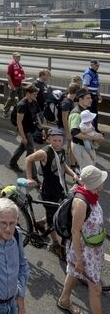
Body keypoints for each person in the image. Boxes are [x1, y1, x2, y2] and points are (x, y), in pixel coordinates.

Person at [58, 165, 106, 314]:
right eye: (101, 180)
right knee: (96, 289)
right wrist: (79, 259)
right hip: (84, 253)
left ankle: (64, 301)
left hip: (92, 250)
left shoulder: (92, 194)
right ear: (95, 183)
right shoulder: (81, 202)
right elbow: (75, 232)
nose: (104, 182)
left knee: (74, 272)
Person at [24, 128, 79, 258]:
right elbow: (28, 159)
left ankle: (41, 223)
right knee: (52, 216)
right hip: (49, 189)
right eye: (54, 140)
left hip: (60, 186)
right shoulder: (44, 152)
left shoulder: (61, 150)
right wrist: (29, 178)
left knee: (61, 208)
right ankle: (55, 243)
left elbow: (62, 164)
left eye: (60, 140)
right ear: (48, 139)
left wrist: (73, 174)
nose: (58, 143)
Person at [9, 85, 41, 175]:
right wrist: (23, 137)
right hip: (25, 131)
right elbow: (19, 122)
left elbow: (37, 115)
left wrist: (41, 127)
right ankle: (34, 176)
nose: (36, 96)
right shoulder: (22, 105)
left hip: (31, 128)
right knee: (31, 153)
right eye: (34, 94)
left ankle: (12, 162)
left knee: (23, 147)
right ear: (28, 94)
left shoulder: (34, 101)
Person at [68, 88, 103, 168]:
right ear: (80, 99)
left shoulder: (84, 111)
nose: (91, 100)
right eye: (88, 98)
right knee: (88, 171)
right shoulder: (76, 113)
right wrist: (94, 137)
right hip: (80, 146)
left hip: (85, 145)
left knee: (90, 170)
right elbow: (74, 133)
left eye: (90, 98)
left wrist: (97, 136)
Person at [3, 52, 25, 118]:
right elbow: (8, 76)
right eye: (17, 57)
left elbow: (21, 73)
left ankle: (19, 111)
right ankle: (5, 111)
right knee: (11, 99)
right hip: (14, 84)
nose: (19, 58)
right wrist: (11, 85)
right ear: (14, 57)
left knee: (21, 98)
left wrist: (23, 77)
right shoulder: (11, 65)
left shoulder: (18, 64)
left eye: (19, 57)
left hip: (19, 83)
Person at [82, 59, 101, 129]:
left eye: (98, 65)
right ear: (92, 65)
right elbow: (85, 86)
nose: (98, 67)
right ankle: (91, 128)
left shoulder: (94, 73)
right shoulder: (88, 73)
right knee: (90, 113)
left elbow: (96, 86)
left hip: (94, 95)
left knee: (94, 113)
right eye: (97, 65)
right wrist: (88, 97)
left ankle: (95, 128)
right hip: (90, 96)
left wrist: (98, 95)